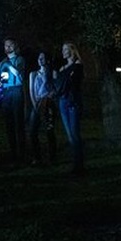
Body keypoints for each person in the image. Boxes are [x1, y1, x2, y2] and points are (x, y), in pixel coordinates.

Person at [55, 41, 85, 175]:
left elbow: (73, 82)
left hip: (73, 100)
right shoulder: (63, 68)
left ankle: (79, 165)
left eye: (65, 49)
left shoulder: (77, 66)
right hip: (63, 100)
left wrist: (64, 77)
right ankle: (76, 163)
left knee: (74, 133)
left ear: (72, 50)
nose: (63, 51)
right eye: (62, 49)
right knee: (69, 134)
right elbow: (59, 84)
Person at [0, 37, 26, 166]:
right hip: (6, 92)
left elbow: (19, 74)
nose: (7, 47)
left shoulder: (19, 60)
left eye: (10, 45)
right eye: (5, 45)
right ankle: (13, 152)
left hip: (16, 90)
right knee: (9, 123)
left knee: (18, 122)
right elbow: (1, 79)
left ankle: (22, 153)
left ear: (15, 46)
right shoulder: (2, 63)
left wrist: (9, 65)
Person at [28, 51, 57, 167]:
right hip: (37, 103)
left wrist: (50, 96)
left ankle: (52, 156)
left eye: (43, 58)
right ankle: (36, 157)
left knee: (49, 130)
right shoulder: (33, 74)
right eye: (39, 58)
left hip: (48, 103)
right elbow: (31, 90)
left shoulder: (51, 73)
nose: (40, 60)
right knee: (32, 131)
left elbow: (55, 88)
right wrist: (35, 104)